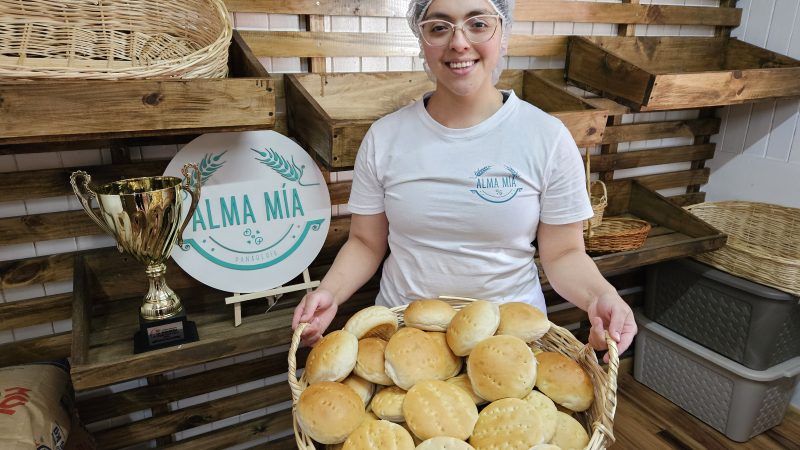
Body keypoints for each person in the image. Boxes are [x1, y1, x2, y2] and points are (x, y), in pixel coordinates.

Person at [292, 0, 636, 362]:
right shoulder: (385, 137)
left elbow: (564, 253)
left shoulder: (546, 137)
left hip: (509, 345)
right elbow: (365, 241)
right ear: (421, 39)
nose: (458, 42)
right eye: (439, 27)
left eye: (477, 24)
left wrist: (600, 296)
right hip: (405, 342)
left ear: (503, 34)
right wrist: (329, 291)